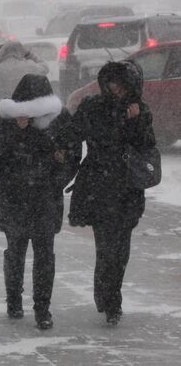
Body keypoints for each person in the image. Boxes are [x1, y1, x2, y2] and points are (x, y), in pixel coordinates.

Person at [62, 60, 156, 325]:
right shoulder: (93, 107)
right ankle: (108, 298)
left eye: (121, 85)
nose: (115, 89)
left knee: (121, 249)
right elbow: (72, 134)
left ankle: (111, 294)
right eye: (111, 84)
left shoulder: (139, 110)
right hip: (99, 186)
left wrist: (136, 121)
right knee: (105, 247)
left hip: (127, 187)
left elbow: (147, 146)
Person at [0, 74, 81, 330]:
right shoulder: (4, 119)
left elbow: (70, 154)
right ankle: (16, 301)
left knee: (38, 253)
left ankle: (40, 307)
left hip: (41, 194)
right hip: (20, 194)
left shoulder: (59, 119)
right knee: (24, 252)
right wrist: (17, 130)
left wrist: (57, 177)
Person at [0, 41, 49, 110]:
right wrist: (29, 54)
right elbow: (45, 67)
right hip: (25, 117)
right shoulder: (30, 66)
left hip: (3, 116)